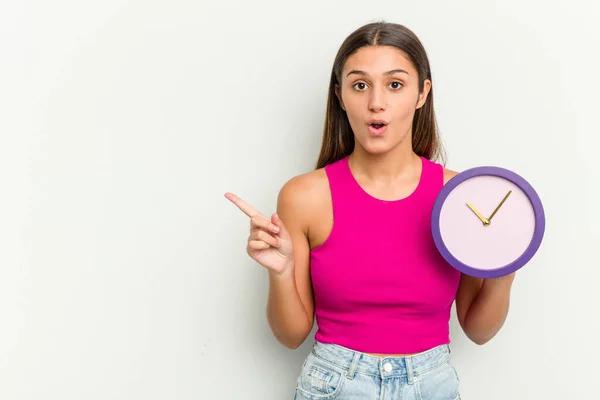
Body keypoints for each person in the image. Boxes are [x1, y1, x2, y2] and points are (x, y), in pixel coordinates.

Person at [225, 21, 515, 400]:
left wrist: (506, 262)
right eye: (360, 85)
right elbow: (291, 335)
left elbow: (478, 330)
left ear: (422, 93)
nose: (376, 102)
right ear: (340, 95)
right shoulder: (304, 196)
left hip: (432, 385)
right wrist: (281, 272)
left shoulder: (460, 195)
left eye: (395, 84)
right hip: (333, 384)